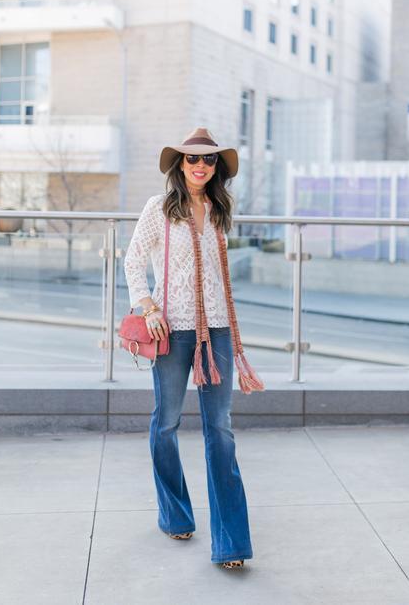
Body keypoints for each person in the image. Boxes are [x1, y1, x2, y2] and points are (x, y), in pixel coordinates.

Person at [124, 126, 264, 570]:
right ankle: (175, 513)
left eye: (208, 161)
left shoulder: (220, 209)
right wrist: (147, 306)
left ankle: (231, 542)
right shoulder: (159, 209)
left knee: (219, 429)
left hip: (218, 330)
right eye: (192, 160)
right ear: (179, 165)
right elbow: (133, 261)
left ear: (216, 168)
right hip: (170, 330)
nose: (200, 167)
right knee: (165, 422)